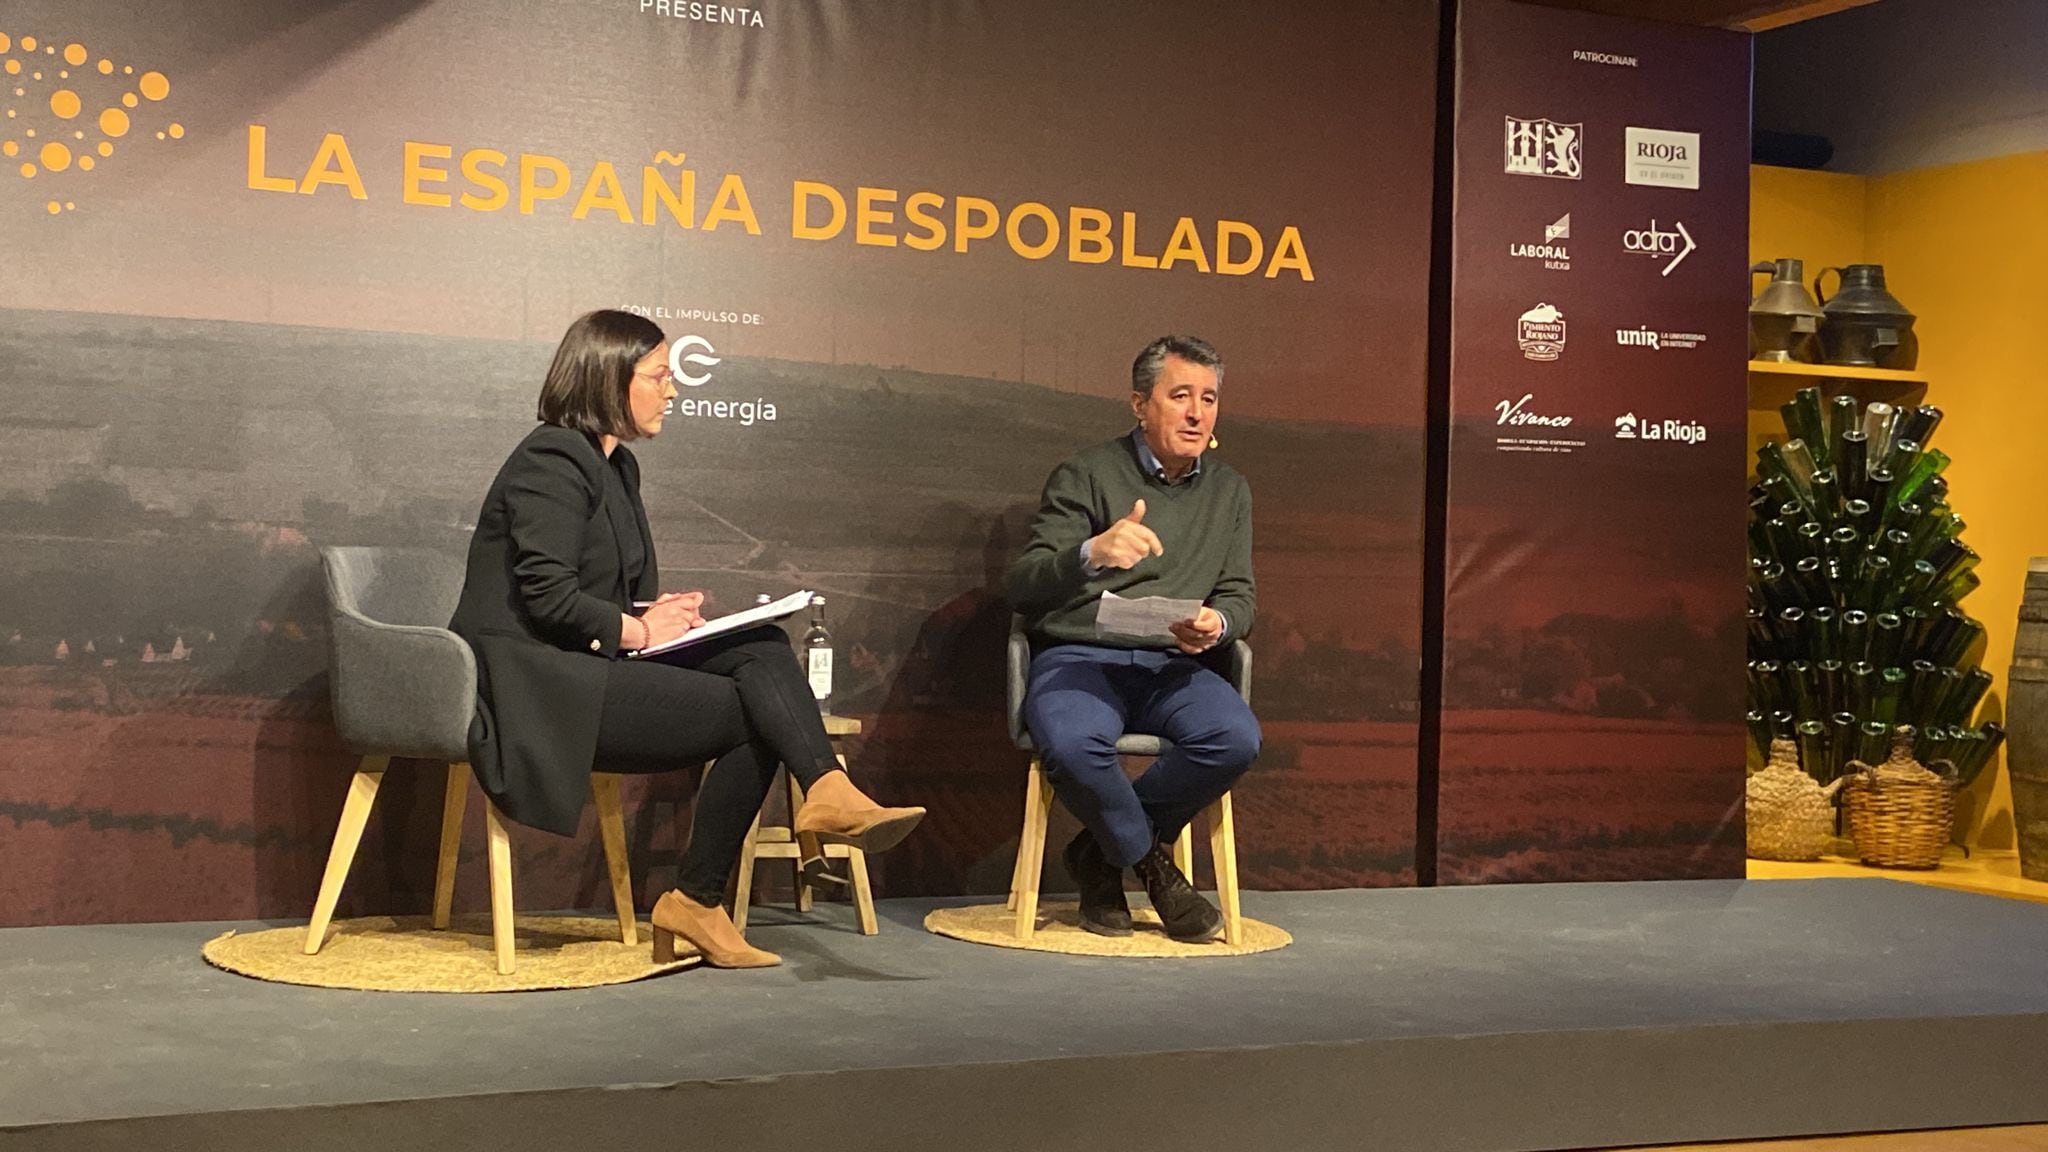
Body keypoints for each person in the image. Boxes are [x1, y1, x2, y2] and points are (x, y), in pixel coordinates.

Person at [449, 309, 923, 969]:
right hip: (537, 684)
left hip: (587, 659)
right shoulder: (552, 457)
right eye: (659, 376)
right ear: (609, 379)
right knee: (755, 716)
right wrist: (638, 626)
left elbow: (606, 597)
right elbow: (547, 596)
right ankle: (704, 894)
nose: (673, 390)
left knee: (762, 645)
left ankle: (821, 792)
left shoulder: (617, 469)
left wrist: (658, 612)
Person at [1005, 335, 1259, 942]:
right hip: (1082, 658)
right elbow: (1023, 583)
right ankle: (1151, 866)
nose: (1198, 413)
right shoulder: (1085, 474)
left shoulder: (1230, 492)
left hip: (1172, 665)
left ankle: (1099, 856)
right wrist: (1091, 553)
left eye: (1209, 398)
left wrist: (1217, 624)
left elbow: (1239, 596)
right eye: (1180, 396)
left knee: (1234, 739)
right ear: (1140, 404)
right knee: (1070, 744)